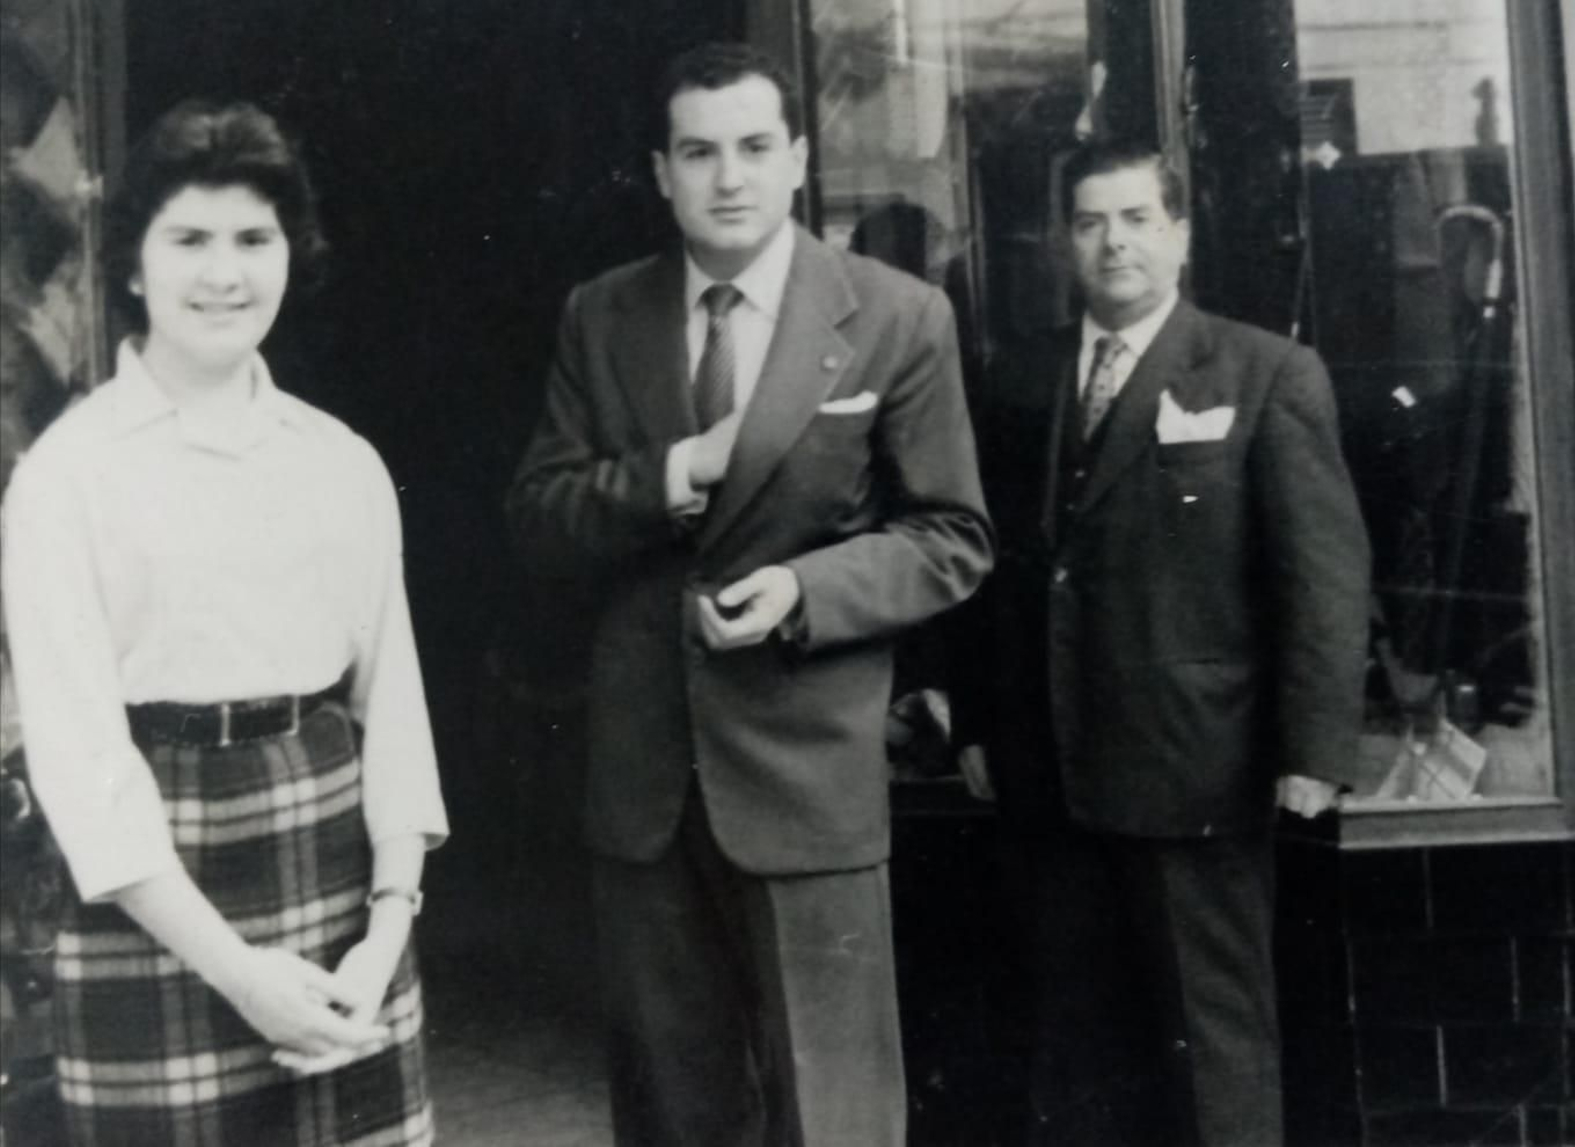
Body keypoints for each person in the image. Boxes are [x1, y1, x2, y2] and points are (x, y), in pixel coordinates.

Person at [505, 41, 992, 1147]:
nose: (728, 177)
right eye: (699, 151)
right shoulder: (602, 314)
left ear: (798, 160)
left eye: (754, 148)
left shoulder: (893, 315)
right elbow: (537, 518)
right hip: (645, 788)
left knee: (835, 1115)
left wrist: (804, 590)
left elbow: (951, 536)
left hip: (806, 777)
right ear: (661, 171)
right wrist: (673, 474)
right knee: (674, 1114)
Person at [1, 100, 448, 1145]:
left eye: (254, 239)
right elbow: (82, 765)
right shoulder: (67, 477)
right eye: (189, 240)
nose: (224, 274)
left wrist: (386, 930)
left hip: (338, 899)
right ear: (130, 264)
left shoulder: (340, 461)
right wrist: (243, 977)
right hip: (153, 908)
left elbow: (396, 712)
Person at [955, 138, 1370, 1146]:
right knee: (1073, 1041)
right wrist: (975, 720)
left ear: (1179, 233)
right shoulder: (1020, 377)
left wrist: (1313, 750)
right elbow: (991, 569)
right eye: (1091, 221)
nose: (1113, 243)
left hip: (1199, 772)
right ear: (1063, 240)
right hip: (1051, 769)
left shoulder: (1264, 371)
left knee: (1213, 1041)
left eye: (1137, 218)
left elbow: (1321, 572)